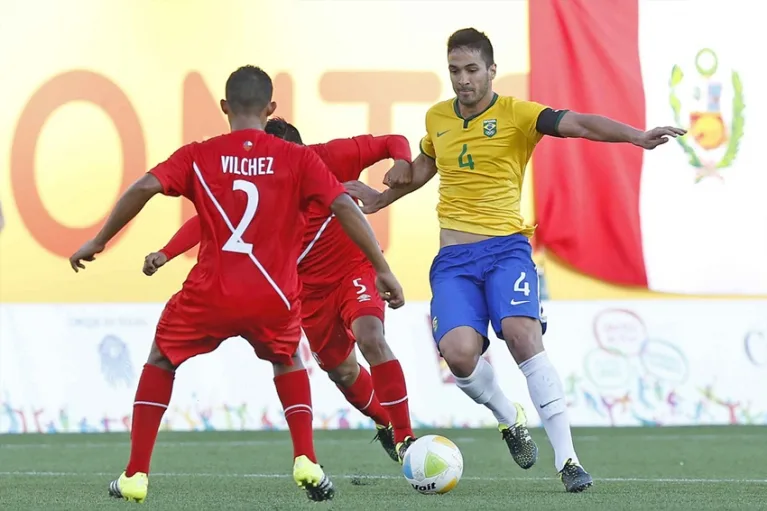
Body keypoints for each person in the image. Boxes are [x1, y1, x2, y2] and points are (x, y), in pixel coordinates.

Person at [346, 28, 685, 493]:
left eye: (470, 70)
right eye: (454, 71)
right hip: (454, 258)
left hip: (506, 249)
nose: (462, 81)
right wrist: (382, 199)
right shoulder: (438, 117)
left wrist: (636, 137)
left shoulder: (518, 115)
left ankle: (568, 460)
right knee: (459, 355)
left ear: (490, 71)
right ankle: (509, 417)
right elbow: (427, 165)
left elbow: (581, 124)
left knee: (521, 335)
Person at [68, 65, 405, 503]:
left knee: (161, 360)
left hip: (212, 291)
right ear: (271, 109)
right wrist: (381, 267)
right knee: (286, 361)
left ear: (225, 107)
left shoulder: (198, 155)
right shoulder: (299, 158)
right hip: (273, 294)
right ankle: (305, 457)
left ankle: (135, 474)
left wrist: (99, 239)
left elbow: (145, 186)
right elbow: (343, 204)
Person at [143, 118, 418, 463]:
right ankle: (385, 422)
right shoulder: (256, 178)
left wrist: (402, 162)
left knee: (370, 335)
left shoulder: (328, 157)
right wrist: (166, 253)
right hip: (306, 293)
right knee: (343, 371)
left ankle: (407, 437)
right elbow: (208, 219)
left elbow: (392, 140)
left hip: (353, 270)